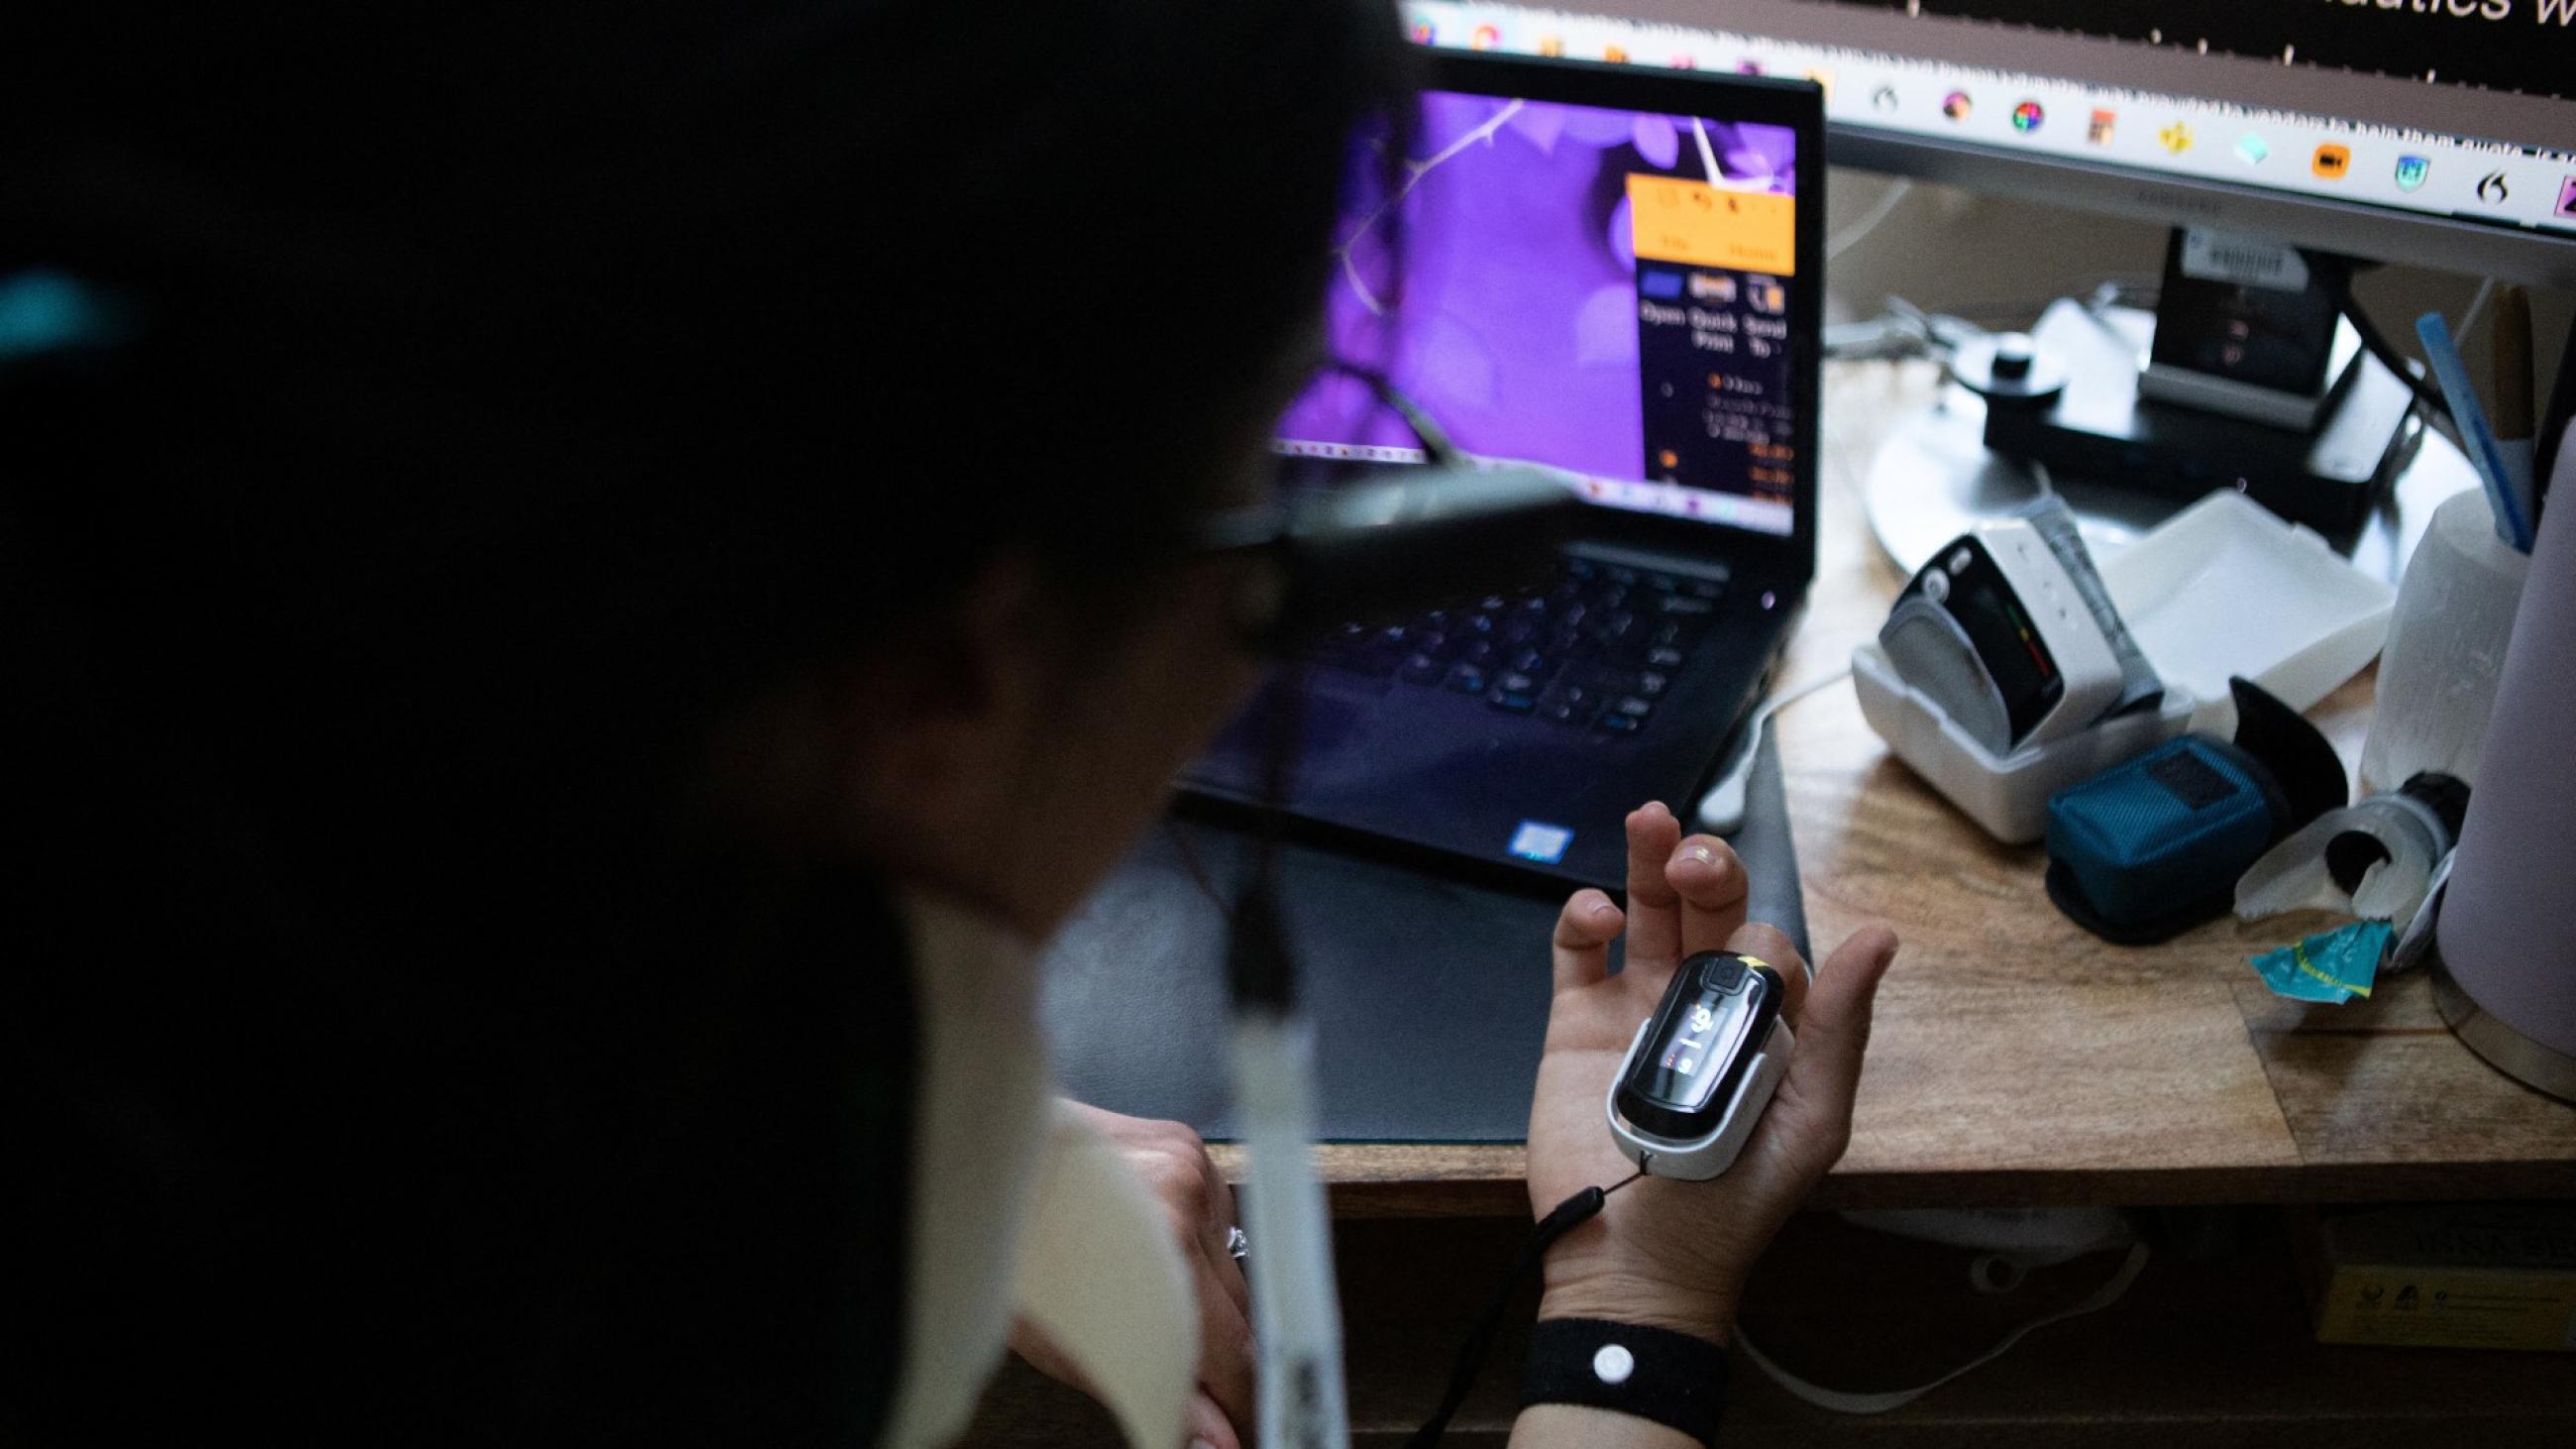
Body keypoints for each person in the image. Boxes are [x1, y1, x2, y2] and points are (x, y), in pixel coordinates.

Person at [2, 3, 1895, 1445]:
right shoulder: (648, 1308)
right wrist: (1632, 1303)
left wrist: (1024, 1144)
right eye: (1260, 502)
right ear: (950, 677)